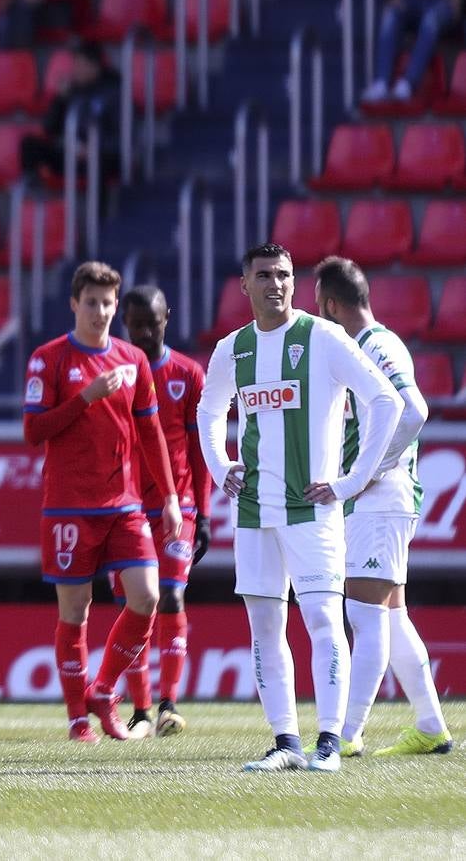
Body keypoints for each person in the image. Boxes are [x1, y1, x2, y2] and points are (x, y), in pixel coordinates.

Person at [198, 243, 403, 774]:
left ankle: (329, 743)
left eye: (285, 275)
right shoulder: (234, 348)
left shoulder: (323, 338)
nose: (276, 284)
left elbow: (388, 400)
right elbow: (208, 409)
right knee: (265, 624)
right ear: (244, 284)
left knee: (319, 617)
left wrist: (353, 480)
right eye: (264, 275)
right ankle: (286, 741)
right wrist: (221, 467)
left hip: (312, 508)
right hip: (253, 511)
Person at [23, 261, 183, 743]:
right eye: (90, 302)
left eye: (106, 304)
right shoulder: (48, 359)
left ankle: (104, 689)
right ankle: (78, 722)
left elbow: (152, 432)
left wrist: (171, 496)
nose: (98, 312)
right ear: (74, 304)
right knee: (76, 612)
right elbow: (34, 431)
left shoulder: (133, 360)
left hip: (125, 504)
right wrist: (86, 397)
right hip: (69, 507)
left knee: (148, 596)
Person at [313, 257, 452, 757]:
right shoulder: (364, 347)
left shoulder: (377, 345)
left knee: (365, 615)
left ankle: (347, 734)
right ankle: (431, 725)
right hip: (381, 500)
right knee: (392, 617)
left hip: (381, 498)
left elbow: (415, 410)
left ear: (330, 305)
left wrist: (369, 471)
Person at [111, 285, 213, 739]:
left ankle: (170, 703)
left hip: (178, 505)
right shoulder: (114, 373)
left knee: (170, 596)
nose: (144, 333)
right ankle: (141, 709)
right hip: (125, 507)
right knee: (134, 604)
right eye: (135, 326)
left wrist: (205, 514)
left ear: (166, 317)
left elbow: (197, 448)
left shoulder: (188, 374)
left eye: (151, 324)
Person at [361, 0, 466, 103]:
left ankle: (408, 83)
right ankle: (381, 82)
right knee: (391, 15)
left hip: (446, 0)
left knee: (430, 19)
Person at [19, 42, 122, 186]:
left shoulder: (114, 93)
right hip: (73, 152)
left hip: (101, 154)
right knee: (30, 144)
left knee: (100, 165)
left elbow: (122, 135)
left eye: (80, 65)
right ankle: (33, 190)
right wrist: (60, 100)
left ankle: (98, 209)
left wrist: (93, 148)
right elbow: (50, 129)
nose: (75, 70)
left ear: (95, 66)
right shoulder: (73, 91)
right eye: (75, 65)